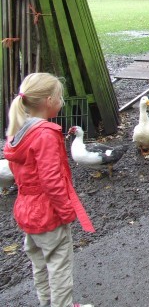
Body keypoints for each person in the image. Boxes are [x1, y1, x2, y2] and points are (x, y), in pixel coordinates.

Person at [3, 73, 95, 307]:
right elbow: (51, 180)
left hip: (27, 210)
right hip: (48, 212)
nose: (62, 101)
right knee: (60, 267)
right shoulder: (46, 134)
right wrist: (66, 211)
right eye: (59, 97)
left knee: (40, 265)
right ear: (47, 101)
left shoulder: (18, 131)